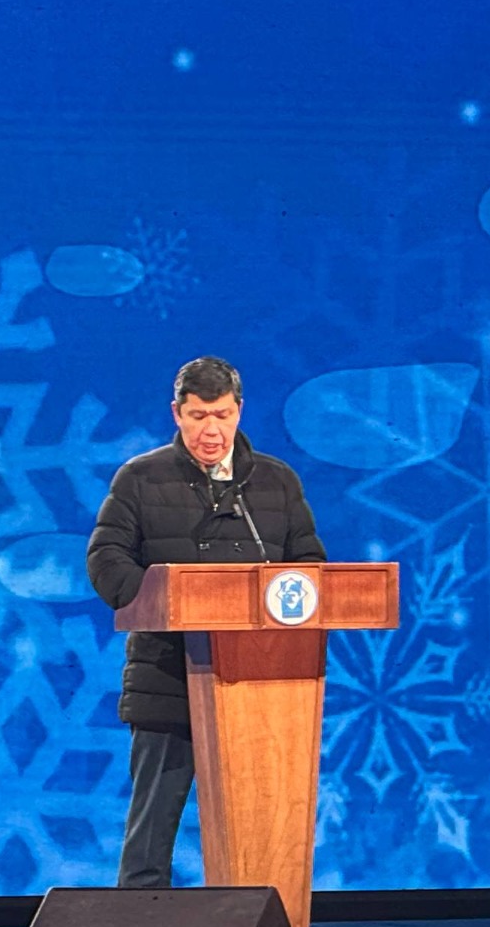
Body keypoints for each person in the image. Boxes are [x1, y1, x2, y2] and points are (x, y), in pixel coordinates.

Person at [86, 356, 325, 888]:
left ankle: (261, 926)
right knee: (152, 826)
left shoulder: (277, 482)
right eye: (197, 416)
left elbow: (309, 567)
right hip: (168, 677)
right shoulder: (140, 479)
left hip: (261, 686)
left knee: (264, 827)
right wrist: (162, 602)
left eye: (221, 415)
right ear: (177, 413)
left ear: (239, 411)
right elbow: (106, 560)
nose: (210, 430)